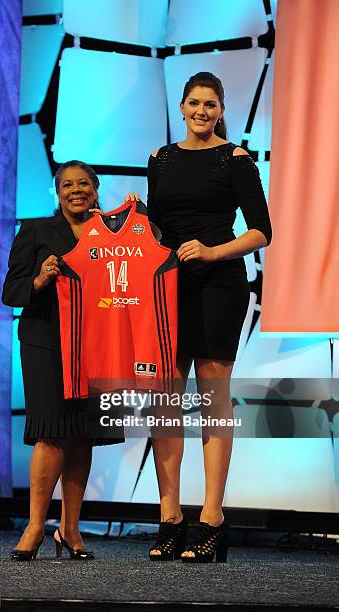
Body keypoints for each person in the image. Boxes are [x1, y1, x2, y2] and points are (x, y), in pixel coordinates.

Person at [144, 71, 272, 563]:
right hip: (168, 285)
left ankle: (212, 518)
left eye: (211, 104)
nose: (202, 111)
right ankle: (170, 517)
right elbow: (156, 225)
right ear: (182, 107)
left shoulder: (235, 158)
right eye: (195, 103)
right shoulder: (160, 159)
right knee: (166, 401)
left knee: (213, 397)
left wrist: (214, 252)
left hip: (219, 284)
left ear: (221, 110)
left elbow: (262, 231)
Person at [2, 160, 124, 561]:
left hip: (98, 344)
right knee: (50, 431)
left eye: (84, 183)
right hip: (45, 343)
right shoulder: (36, 230)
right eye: (68, 184)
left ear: (96, 188)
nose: (76, 190)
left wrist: (136, 217)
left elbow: (145, 258)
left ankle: (70, 530)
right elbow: (11, 290)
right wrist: (39, 279)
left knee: (82, 433)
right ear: (57, 192)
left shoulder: (112, 232)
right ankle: (36, 526)